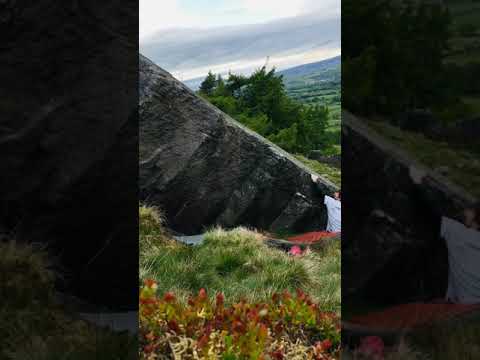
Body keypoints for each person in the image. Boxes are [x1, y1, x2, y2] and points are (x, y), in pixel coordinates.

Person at [440, 203, 480, 304]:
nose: (465, 211)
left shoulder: (457, 233)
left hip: (469, 302)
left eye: (470, 209)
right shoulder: (460, 233)